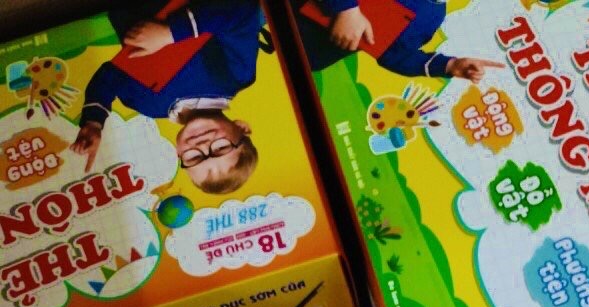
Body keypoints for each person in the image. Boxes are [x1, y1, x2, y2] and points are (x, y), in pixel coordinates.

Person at [69, 0, 264, 192]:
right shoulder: (237, 75)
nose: (204, 146)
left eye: (195, 158)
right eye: (221, 148)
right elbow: (243, 10)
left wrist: (93, 123)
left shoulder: (147, 105)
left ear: (178, 154)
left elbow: (110, 75)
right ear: (241, 128)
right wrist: (171, 32)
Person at [295, 0, 503, 83]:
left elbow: (394, 54)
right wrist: (346, 8)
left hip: (303, 55)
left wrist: (449, 65)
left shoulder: (433, 15)